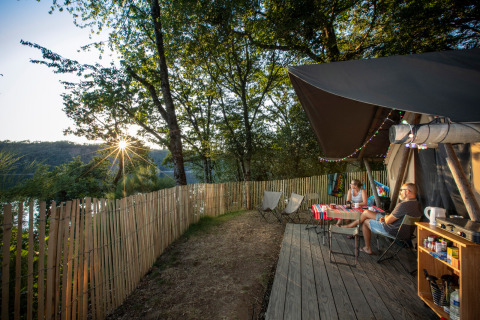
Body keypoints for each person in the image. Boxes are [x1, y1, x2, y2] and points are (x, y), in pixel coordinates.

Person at [359, 182, 422, 254]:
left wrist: (385, 217)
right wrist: (386, 217)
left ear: (407, 191)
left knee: (366, 222)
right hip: (406, 234)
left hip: (392, 230)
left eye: (402, 190)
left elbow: (388, 221)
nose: (400, 192)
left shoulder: (403, 205)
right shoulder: (418, 205)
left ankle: (367, 248)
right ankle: (353, 226)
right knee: (370, 214)